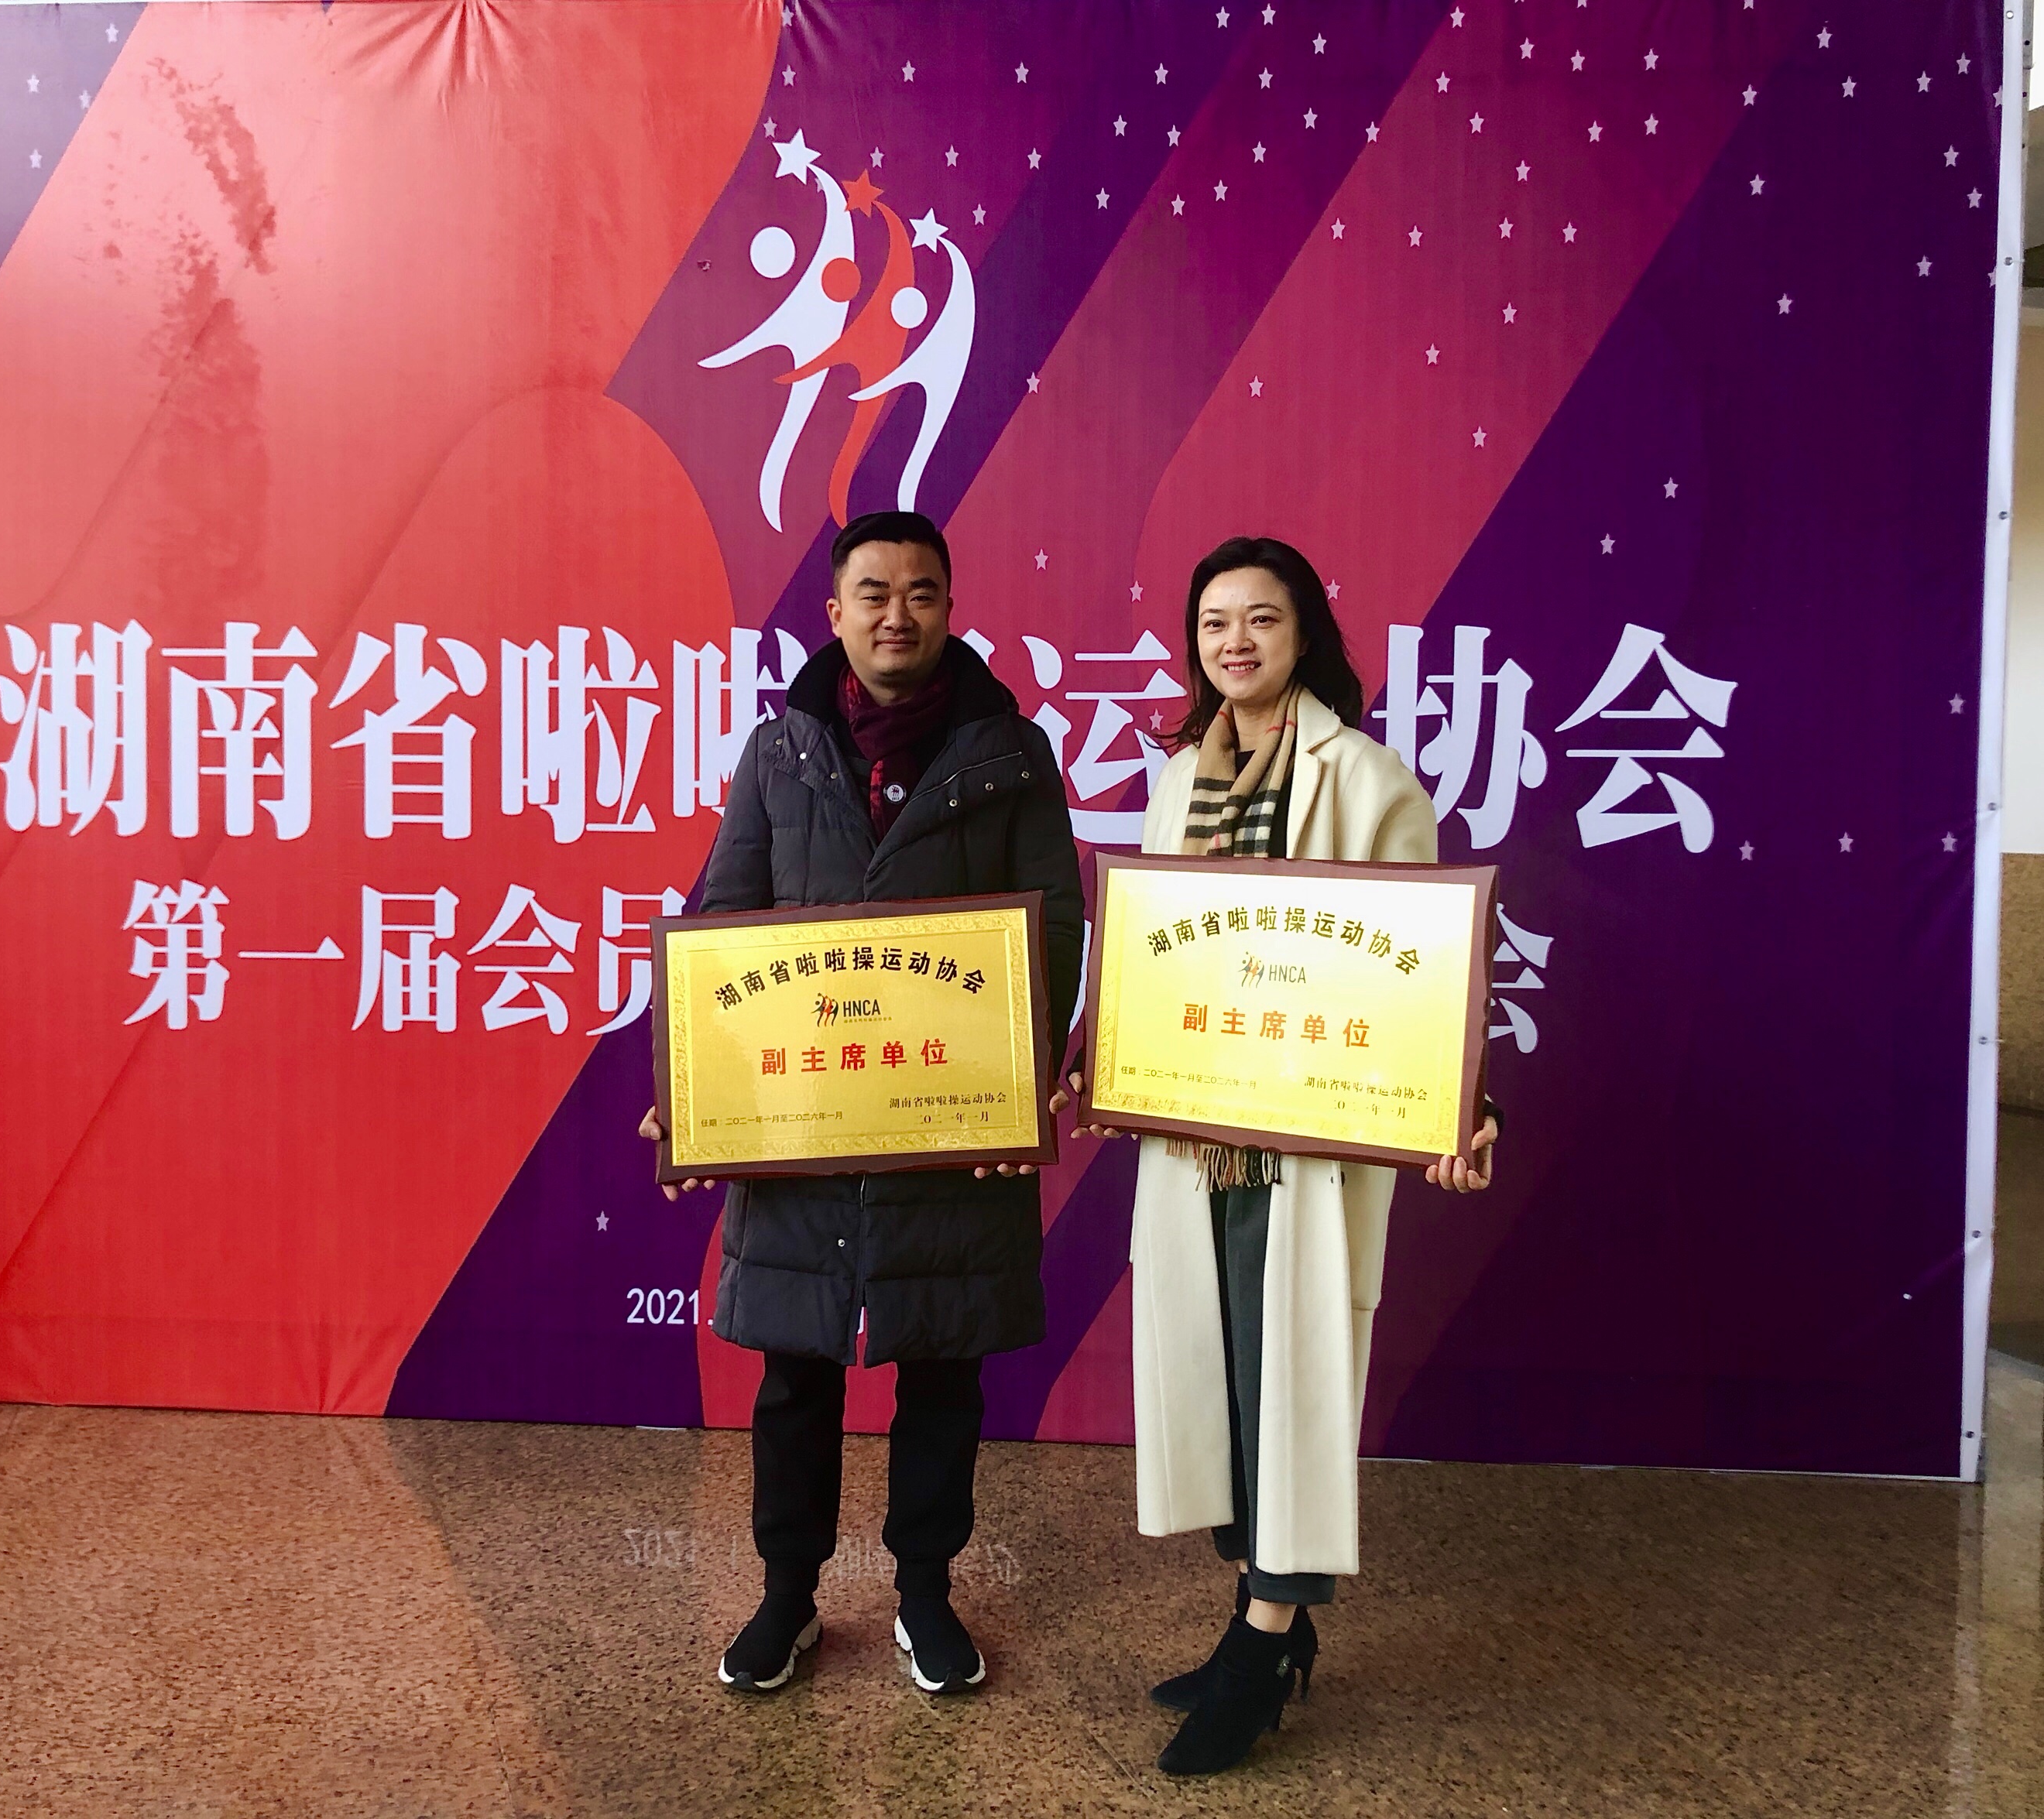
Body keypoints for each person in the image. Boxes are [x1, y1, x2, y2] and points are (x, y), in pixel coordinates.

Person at [1063, 536, 1499, 1776]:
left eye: (1261, 618)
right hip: (1197, 1144)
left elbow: (1424, 969)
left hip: (1304, 1151)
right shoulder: (1173, 781)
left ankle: (1260, 1655)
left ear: (1306, 632)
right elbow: (1149, 953)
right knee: (1232, 1388)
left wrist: (1464, 1109)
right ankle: (1263, 1620)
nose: (1236, 641)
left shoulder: (1366, 779)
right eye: (1215, 623)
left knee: (1291, 1384)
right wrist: (1103, 1057)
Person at [640, 510, 1084, 1698]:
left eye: (921, 592)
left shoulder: (1012, 753)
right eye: (874, 593)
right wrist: (691, 1095)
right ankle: (787, 1595)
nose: (898, 613)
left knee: (943, 1368)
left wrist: (1020, 1084)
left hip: (952, 1121)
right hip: (803, 1124)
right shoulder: (778, 752)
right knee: (796, 1374)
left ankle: (925, 1592)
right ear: (835, 613)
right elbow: (724, 926)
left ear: (950, 608)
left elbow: (1053, 925)